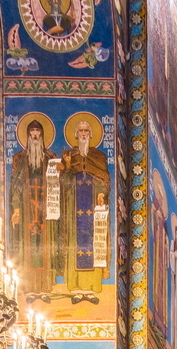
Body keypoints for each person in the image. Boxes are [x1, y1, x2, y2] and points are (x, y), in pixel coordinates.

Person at [59, 118, 109, 304]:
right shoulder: (69, 155)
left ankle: (92, 289)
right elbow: (64, 182)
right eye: (80, 131)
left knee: (94, 243)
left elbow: (105, 180)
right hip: (74, 207)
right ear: (75, 134)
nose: (83, 134)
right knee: (75, 242)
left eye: (86, 131)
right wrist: (68, 166)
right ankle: (77, 289)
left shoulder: (98, 156)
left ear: (91, 134)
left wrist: (102, 194)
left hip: (94, 207)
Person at [9, 117, 59, 301]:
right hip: (27, 206)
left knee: (45, 248)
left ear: (42, 134)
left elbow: (59, 183)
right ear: (28, 135)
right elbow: (15, 185)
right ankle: (30, 290)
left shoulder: (51, 158)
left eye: (38, 131)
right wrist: (16, 209)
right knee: (28, 249)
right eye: (32, 132)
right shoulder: (20, 159)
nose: (35, 135)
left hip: (46, 209)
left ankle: (44, 290)